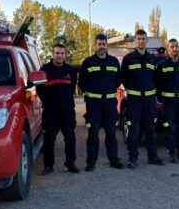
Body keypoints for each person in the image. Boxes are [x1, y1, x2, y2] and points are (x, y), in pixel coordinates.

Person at [79, 34, 125, 171]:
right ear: (96, 45)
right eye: (99, 44)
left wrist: (109, 90)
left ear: (106, 45)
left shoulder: (113, 62)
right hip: (94, 105)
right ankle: (91, 162)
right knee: (93, 134)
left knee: (111, 133)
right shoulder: (88, 62)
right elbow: (81, 82)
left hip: (110, 103)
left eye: (103, 44)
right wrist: (93, 92)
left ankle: (114, 160)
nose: (101, 46)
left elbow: (118, 80)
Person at [121, 29, 164, 169]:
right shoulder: (128, 59)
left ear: (146, 40)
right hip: (134, 100)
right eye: (138, 39)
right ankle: (133, 158)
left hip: (149, 100)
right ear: (135, 41)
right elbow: (123, 78)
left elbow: (156, 78)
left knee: (151, 129)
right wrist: (133, 91)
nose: (140, 41)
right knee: (134, 130)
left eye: (143, 38)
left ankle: (153, 157)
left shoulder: (153, 58)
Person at [37, 43, 79, 174]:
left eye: (62, 53)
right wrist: (48, 102)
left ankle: (70, 164)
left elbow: (72, 88)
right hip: (50, 112)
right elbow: (39, 89)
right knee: (49, 139)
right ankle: (48, 166)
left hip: (67, 111)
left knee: (70, 138)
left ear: (65, 54)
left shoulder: (70, 70)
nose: (60, 56)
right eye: (57, 53)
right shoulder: (45, 69)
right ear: (52, 54)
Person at [155, 38, 179, 163]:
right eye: (172, 47)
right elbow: (157, 83)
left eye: (176, 46)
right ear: (168, 49)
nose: (175, 49)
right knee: (170, 128)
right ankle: (172, 153)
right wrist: (162, 98)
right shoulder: (162, 66)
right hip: (169, 103)